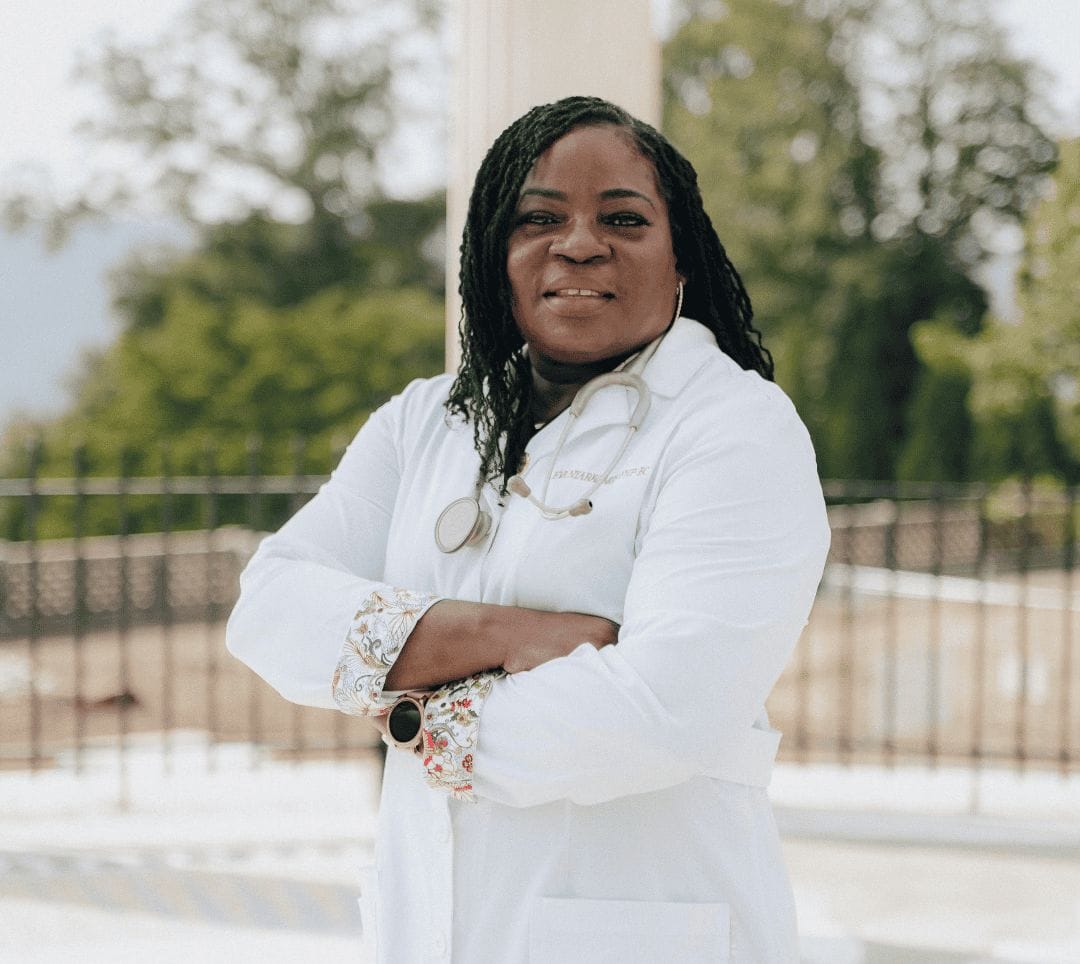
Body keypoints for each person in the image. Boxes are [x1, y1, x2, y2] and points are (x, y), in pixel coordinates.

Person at [226, 95, 830, 963]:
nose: (579, 243)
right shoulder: (425, 422)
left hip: (642, 930)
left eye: (623, 218)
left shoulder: (734, 428)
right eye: (538, 219)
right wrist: (505, 636)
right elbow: (270, 609)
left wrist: (411, 714)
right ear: (493, 256)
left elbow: (664, 708)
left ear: (682, 259)